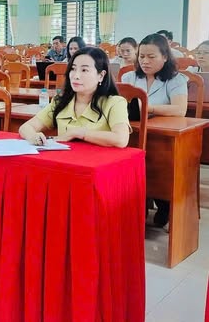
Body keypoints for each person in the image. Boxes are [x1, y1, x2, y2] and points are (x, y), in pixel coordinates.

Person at [121, 33, 188, 229]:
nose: (145, 61)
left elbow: (180, 109)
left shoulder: (176, 79)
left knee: (159, 164)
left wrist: (146, 107)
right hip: (134, 133)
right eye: (141, 56)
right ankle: (137, 205)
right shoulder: (129, 77)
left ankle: (164, 203)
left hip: (164, 137)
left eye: (151, 57)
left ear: (165, 57)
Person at [19, 47, 130, 148]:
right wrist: (33, 136)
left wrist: (79, 133)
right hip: (65, 160)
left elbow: (121, 139)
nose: (76, 76)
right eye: (73, 69)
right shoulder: (61, 101)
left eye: (84, 70)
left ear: (101, 75)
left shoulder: (114, 103)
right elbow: (26, 127)